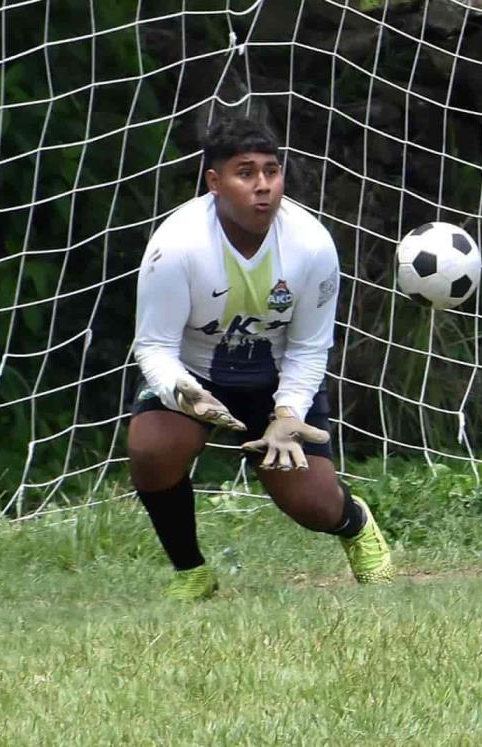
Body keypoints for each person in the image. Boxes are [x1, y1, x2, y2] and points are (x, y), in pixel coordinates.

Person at [127, 114, 393, 600]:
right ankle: (192, 573)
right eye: (245, 173)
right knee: (150, 449)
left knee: (310, 504)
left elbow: (311, 348)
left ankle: (355, 524)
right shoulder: (175, 246)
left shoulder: (311, 246)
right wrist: (181, 392)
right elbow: (154, 346)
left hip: (275, 382)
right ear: (214, 183)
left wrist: (288, 413)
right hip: (196, 374)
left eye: (271, 171)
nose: (263, 186)